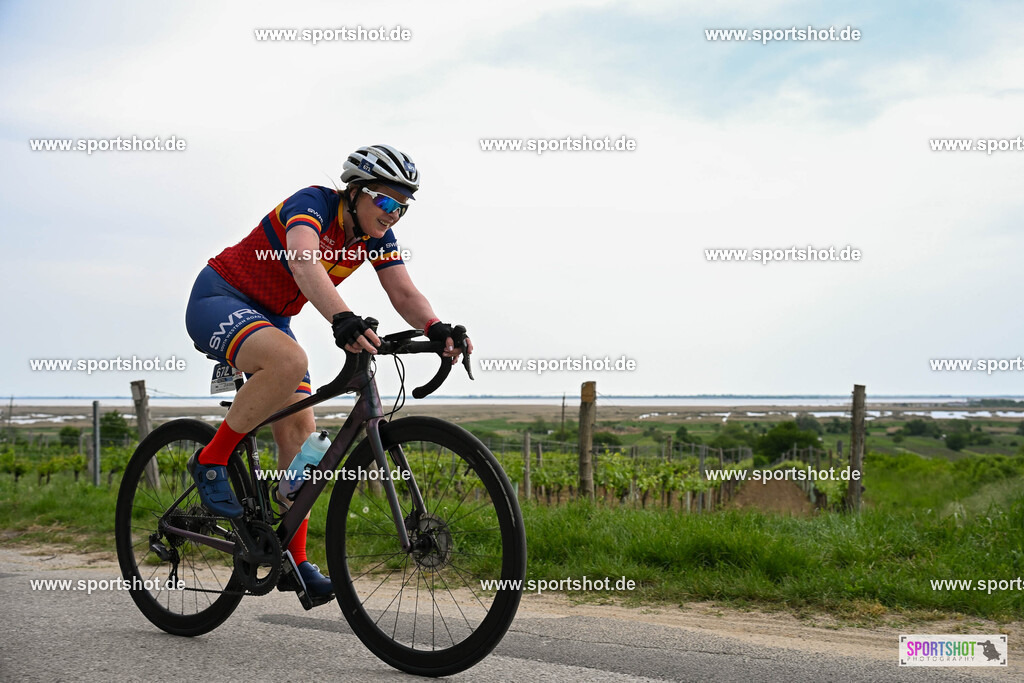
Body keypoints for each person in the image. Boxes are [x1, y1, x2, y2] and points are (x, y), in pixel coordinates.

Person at [183, 144, 470, 599]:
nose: (394, 213)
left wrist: (437, 327)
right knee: (291, 360)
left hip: (272, 320)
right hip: (220, 298)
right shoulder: (313, 203)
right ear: (355, 191)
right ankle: (211, 459)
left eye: (404, 206)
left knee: (304, 448)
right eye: (386, 200)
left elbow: (403, 292)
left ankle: (293, 562)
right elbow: (302, 260)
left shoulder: (374, 238)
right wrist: (342, 318)